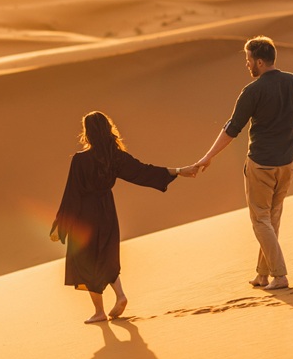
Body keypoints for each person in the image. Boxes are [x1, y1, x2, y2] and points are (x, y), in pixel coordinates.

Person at [195, 35, 293, 291]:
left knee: (261, 220)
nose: (247, 64)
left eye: (248, 59)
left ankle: (279, 275)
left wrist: (208, 156)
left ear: (260, 62)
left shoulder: (252, 91)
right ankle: (263, 275)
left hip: (261, 165)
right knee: (271, 219)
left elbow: (232, 128)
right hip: (286, 164)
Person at [51, 111, 199, 324]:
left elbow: (72, 194)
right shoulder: (115, 157)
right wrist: (178, 170)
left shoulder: (80, 160)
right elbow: (143, 172)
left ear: (87, 133)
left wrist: (61, 224)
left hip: (85, 215)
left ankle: (99, 311)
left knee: (86, 261)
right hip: (107, 211)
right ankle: (120, 295)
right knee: (106, 255)